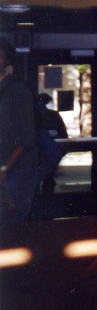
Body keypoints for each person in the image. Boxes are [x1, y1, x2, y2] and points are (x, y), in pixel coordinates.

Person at [0, 38, 38, 222]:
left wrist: (4, 169)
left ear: (5, 60)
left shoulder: (17, 89)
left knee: (14, 226)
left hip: (17, 171)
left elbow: (27, 137)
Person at [36, 93, 68, 194]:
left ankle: (47, 179)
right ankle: (47, 179)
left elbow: (63, 133)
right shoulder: (36, 116)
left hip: (54, 145)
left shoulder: (53, 115)